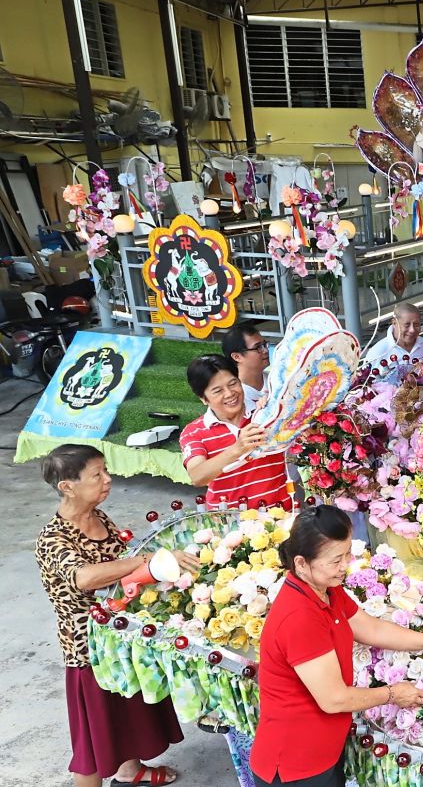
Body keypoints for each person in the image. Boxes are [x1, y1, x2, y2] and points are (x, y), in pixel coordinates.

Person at [35, 444, 199, 787]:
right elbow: (85, 577)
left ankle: (129, 770)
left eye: (105, 471)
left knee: (123, 714)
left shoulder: (96, 515)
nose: (107, 480)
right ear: (68, 486)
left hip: (119, 634)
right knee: (92, 742)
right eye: (97, 475)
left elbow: (125, 557)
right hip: (87, 649)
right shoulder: (53, 538)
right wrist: (147, 563)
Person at [250, 505, 423, 787]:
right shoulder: (299, 617)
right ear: (301, 563)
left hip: (321, 752)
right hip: (296, 766)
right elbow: (334, 699)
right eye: (335, 560)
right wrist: (393, 693)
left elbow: (369, 627)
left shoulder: (326, 589)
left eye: (347, 555)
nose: (345, 566)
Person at [180, 355, 290, 511]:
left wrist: (278, 410)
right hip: (228, 522)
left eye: (233, 383)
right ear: (203, 398)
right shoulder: (194, 432)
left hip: (279, 515)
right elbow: (197, 477)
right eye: (218, 391)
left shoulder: (265, 413)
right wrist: (238, 448)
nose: (230, 393)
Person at [363, 302, 423, 372]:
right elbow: (366, 380)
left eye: (416, 325)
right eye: (407, 325)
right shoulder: (377, 352)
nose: (412, 330)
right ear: (394, 323)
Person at [222, 321, 270, 413]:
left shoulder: (276, 379)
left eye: (264, 345)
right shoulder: (234, 397)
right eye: (258, 347)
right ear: (237, 357)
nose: (265, 350)